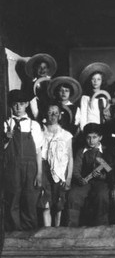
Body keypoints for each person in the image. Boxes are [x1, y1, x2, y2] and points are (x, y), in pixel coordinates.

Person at [2, 90, 44, 230]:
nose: (18, 108)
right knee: (12, 198)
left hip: (31, 168)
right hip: (11, 167)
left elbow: (38, 151)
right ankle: (13, 232)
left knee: (29, 199)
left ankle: (29, 232)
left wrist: (38, 174)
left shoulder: (34, 125)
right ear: (10, 106)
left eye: (21, 104)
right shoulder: (6, 124)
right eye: (15, 105)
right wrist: (6, 139)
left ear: (26, 104)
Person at [67, 123, 110, 227]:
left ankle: (101, 227)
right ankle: (72, 227)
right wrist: (79, 179)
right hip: (85, 182)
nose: (91, 141)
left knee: (102, 195)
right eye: (88, 137)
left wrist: (101, 175)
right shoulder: (81, 151)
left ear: (100, 137)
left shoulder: (106, 151)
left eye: (94, 137)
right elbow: (76, 169)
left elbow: (109, 170)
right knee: (73, 195)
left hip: (101, 182)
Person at [40, 104, 73, 227]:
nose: (53, 115)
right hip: (44, 170)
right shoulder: (41, 133)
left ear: (60, 116)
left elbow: (70, 157)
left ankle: (57, 231)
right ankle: (47, 231)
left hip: (60, 171)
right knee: (46, 204)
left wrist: (68, 177)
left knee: (59, 204)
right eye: (50, 112)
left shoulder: (66, 135)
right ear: (46, 114)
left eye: (56, 113)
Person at [79, 62, 112, 130]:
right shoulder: (86, 98)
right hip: (91, 128)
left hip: (104, 127)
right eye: (93, 79)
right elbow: (83, 116)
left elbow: (108, 115)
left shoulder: (106, 97)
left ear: (102, 81)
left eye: (98, 79)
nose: (95, 81)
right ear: (90, 80)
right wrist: (84, 130)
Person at [25, 53, 58, 121]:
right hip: (37, 114)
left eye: (44, 68)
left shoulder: (53, 83)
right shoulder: (31, 84)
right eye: (39, 68)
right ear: (35, 69)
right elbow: (32, 102)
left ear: (48, 69)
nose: (42, 70)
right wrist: (38, 118)